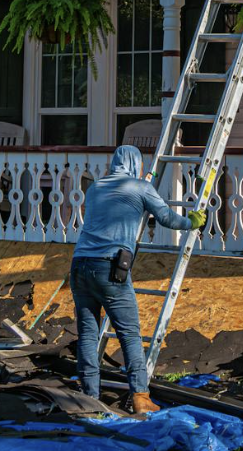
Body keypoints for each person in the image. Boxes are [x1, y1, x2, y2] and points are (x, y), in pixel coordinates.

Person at [71, 144, 206, 414]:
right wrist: (192, 221)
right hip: (109, 267)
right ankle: (141, 399)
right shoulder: (141, 188)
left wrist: (141, 187)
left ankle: (90, 398)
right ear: (135, 165)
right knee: (130, 335)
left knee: (88, 333)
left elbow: (117, 203)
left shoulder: (96, 187)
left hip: (79, 264)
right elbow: (166, 218)